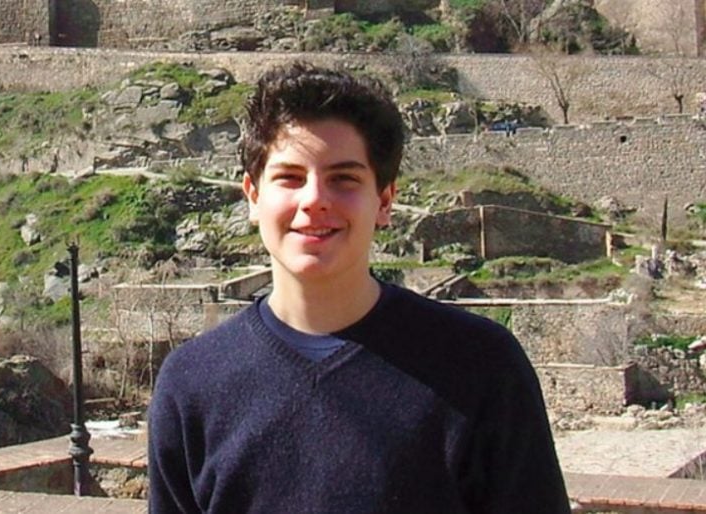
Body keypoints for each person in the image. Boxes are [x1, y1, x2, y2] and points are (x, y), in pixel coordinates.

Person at [148, 62, 571, 513]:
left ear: (384, 201)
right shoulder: (192, 384)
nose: (314, 200)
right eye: (290, 178)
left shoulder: (481, 366)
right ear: (253, 196)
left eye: (343, 179)